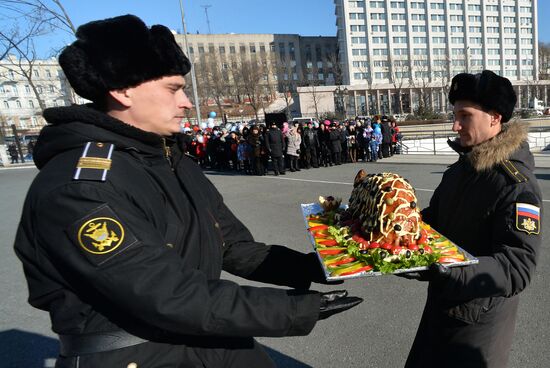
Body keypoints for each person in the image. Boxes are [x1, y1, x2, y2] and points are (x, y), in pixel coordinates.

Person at [12, 15, 362, 368]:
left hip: (205, 337)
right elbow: (163, 292)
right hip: (135, 355)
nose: (187, 102)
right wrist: (291, 309)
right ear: (122, 90)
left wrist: (325, 264)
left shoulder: (170, 159)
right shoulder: (81, 185)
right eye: (172, 89)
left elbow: (234, 246)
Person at [402, 70, 542, 368]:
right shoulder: (460, 170)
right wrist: (397, 226)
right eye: (455, 115)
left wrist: (449, 270)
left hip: (478, 326)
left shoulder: (515, 183)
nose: (455, 125)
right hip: (441, 309)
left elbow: (517, 267)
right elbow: (433, 222)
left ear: (495, 117)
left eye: (465, 116)